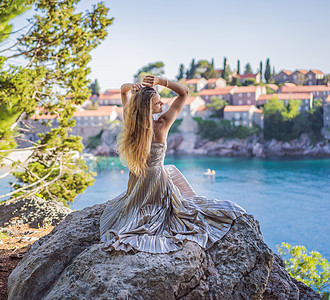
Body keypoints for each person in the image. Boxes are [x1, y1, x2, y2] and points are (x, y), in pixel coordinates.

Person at [99, 75, 246, 254]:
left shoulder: (131, 122)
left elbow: (123, 90)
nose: (162, 106)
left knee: (170, 172)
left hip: (137, 182)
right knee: (183, 204)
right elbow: (184, 93)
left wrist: (133, 87)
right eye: (158, 104)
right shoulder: (162, 125)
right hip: (157, 183)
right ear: (148, 109)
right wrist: (162, 82)